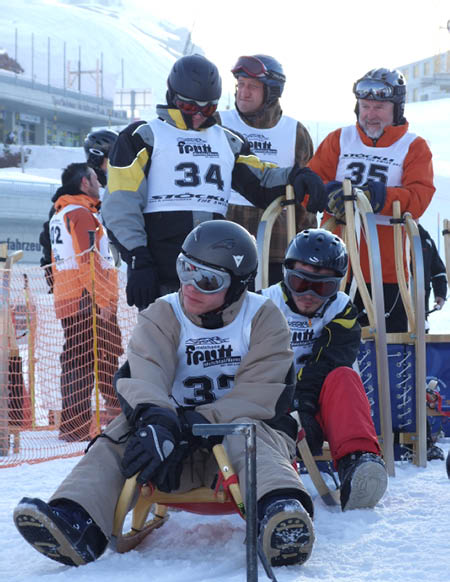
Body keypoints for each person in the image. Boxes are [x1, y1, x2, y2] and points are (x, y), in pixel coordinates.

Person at [13, 220, 315, 569]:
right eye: (185, 269)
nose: (190, 286)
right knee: (120, 436)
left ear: (237, 287)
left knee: (250, 433)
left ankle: (280, 513)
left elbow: (261, 391)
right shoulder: (164, 313)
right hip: (170, 453)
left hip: (237, 450)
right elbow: (145, 372)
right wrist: (158, 419)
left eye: (207, 280)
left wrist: (198, 421)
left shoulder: (262, 317)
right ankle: (77, 518)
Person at [101, 54, 327, 310]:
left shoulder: (228, 141)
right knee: (162, 345)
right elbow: (120, 204)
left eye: (207, 109)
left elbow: (261, 181)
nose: (198, 115)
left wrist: (296, 176)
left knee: (218, 346)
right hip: (162, 268)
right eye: (189, 107)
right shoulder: (143, 137)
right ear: (172, 96)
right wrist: (137, 258)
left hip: (215, 272)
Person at [261, 228, 388, 511]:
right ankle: (277, 480)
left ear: (336, 286)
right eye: (299, 282)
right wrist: (290, 404)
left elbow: (331, 359)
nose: (307, 295)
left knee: (344, 376)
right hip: (273, 397)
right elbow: (259, 361)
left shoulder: (341, 310)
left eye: (321, 287)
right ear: (286, 275)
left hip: (318, 398)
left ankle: (358, 463)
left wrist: (304, 402)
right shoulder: (264, 305)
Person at [308, 68, 435, 333]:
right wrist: (328, 194)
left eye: (379, 107)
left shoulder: (414, 146)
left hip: (387, 271)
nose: (370, 114)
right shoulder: (339, 139)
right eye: (365, 106)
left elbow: (420, 197)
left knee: (387, 349)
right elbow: (310, 186)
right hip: (334, 267)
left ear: (396, 109)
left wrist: (379, 197)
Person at [216, 54, 316, 284]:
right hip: (223, 238)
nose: (243, 92)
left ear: (271, 92)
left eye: (252, 86)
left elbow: (306, 198)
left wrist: (306, 246)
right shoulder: (219, 124)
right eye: (240, 84)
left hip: (277, 243)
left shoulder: (295, 132)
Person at [49, 163, 122, 441]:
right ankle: (91, 423)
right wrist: (103, 300)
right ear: (84, 183)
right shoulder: (80, 213)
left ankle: (77, 423)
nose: (99, 182)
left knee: (80, 359)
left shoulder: (62, 213)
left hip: (70, 296)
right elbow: (88, 259)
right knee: (102, 357)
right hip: (87, 299)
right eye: (94, 177)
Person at [39, 129, 119, 291]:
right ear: (97, 157)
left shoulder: (115, 190)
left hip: (105, 281)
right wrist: (52, 274)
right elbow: (50, 239)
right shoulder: (75, 197)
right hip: (83, 288)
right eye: (112, 159)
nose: (117, 164)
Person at [417, 224, 447, 321]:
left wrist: (440, 294)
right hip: (390, 306)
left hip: (420, 308)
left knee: (421, 332)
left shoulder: (426, 240)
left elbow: (438, 271)